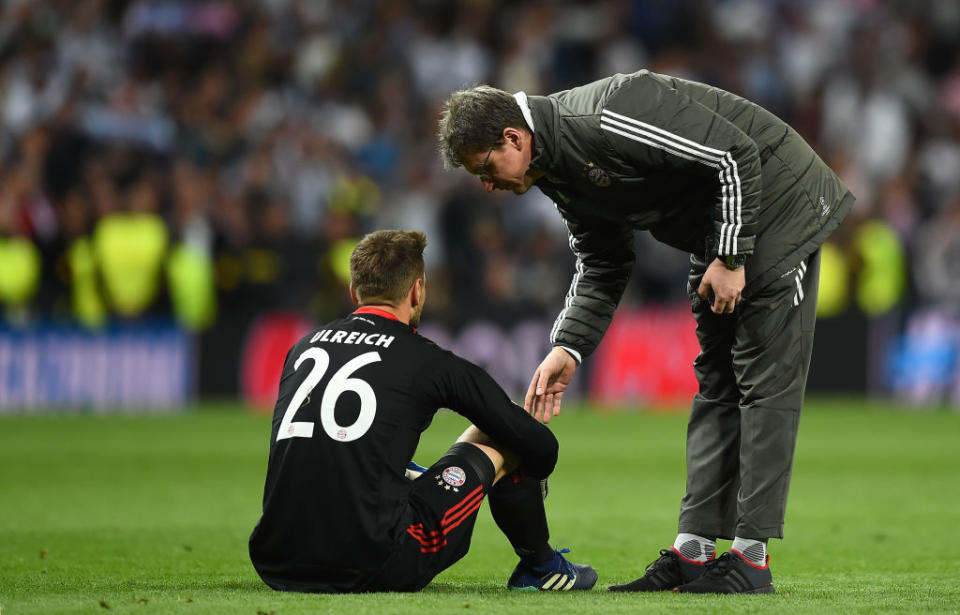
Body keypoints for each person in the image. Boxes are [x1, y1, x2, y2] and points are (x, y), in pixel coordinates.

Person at [438, 70, 854, 594]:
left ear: (513, 139)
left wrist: (730, 254)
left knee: (763, 381)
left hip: (776, 206)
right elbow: (604, 260)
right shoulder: (556, 166)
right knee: (717, 383)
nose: (488, 185)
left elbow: (734, 154)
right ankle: (695, 551)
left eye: (486, 168)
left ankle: (751, 559)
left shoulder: (608, 112)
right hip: (721, 223)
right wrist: (570, 345)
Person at [249, 229, 597, 593]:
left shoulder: (302, 347)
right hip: (375, 563)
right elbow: (540, 444)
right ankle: (542, 567)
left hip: (276, 559)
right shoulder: (428, 360)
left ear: (354, 292)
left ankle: (402, 477)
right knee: (506, 433)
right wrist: (531, 477)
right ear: (417, 290)